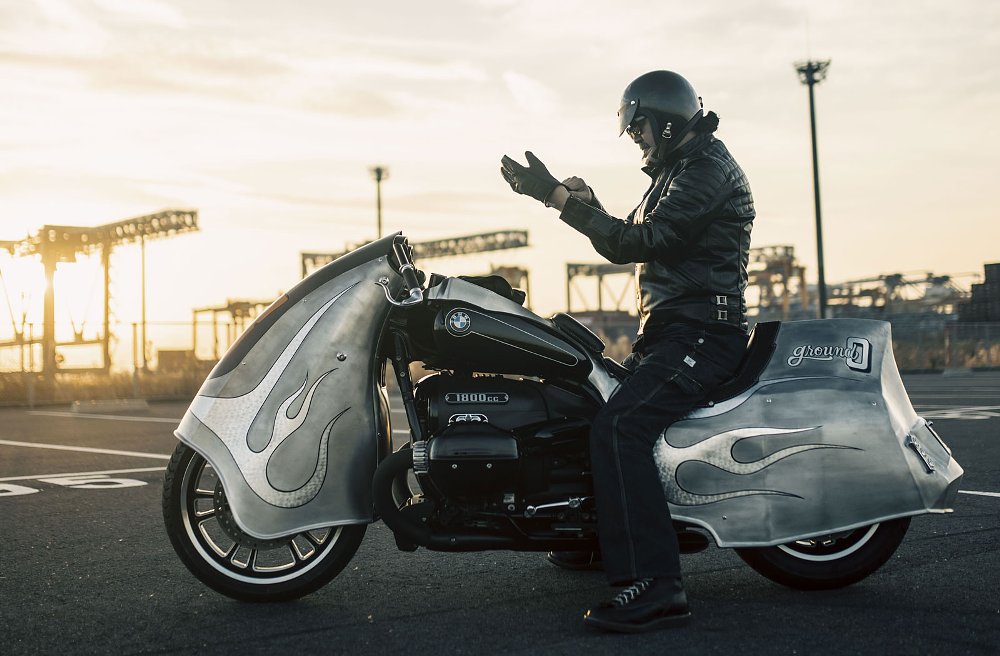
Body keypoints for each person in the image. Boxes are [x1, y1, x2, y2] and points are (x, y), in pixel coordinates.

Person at [500, 70, 754, 633]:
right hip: (673, 333)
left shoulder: (706, 170)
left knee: (620, 428)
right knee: (585, 404)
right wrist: (586, 203)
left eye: (639, 127)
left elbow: (641, 242)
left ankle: (656, 586)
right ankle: (596, 537)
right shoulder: (679, 170)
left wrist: (557, 199)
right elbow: (636, 233)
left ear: (666, 122)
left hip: (701, 334)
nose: (636, 137)